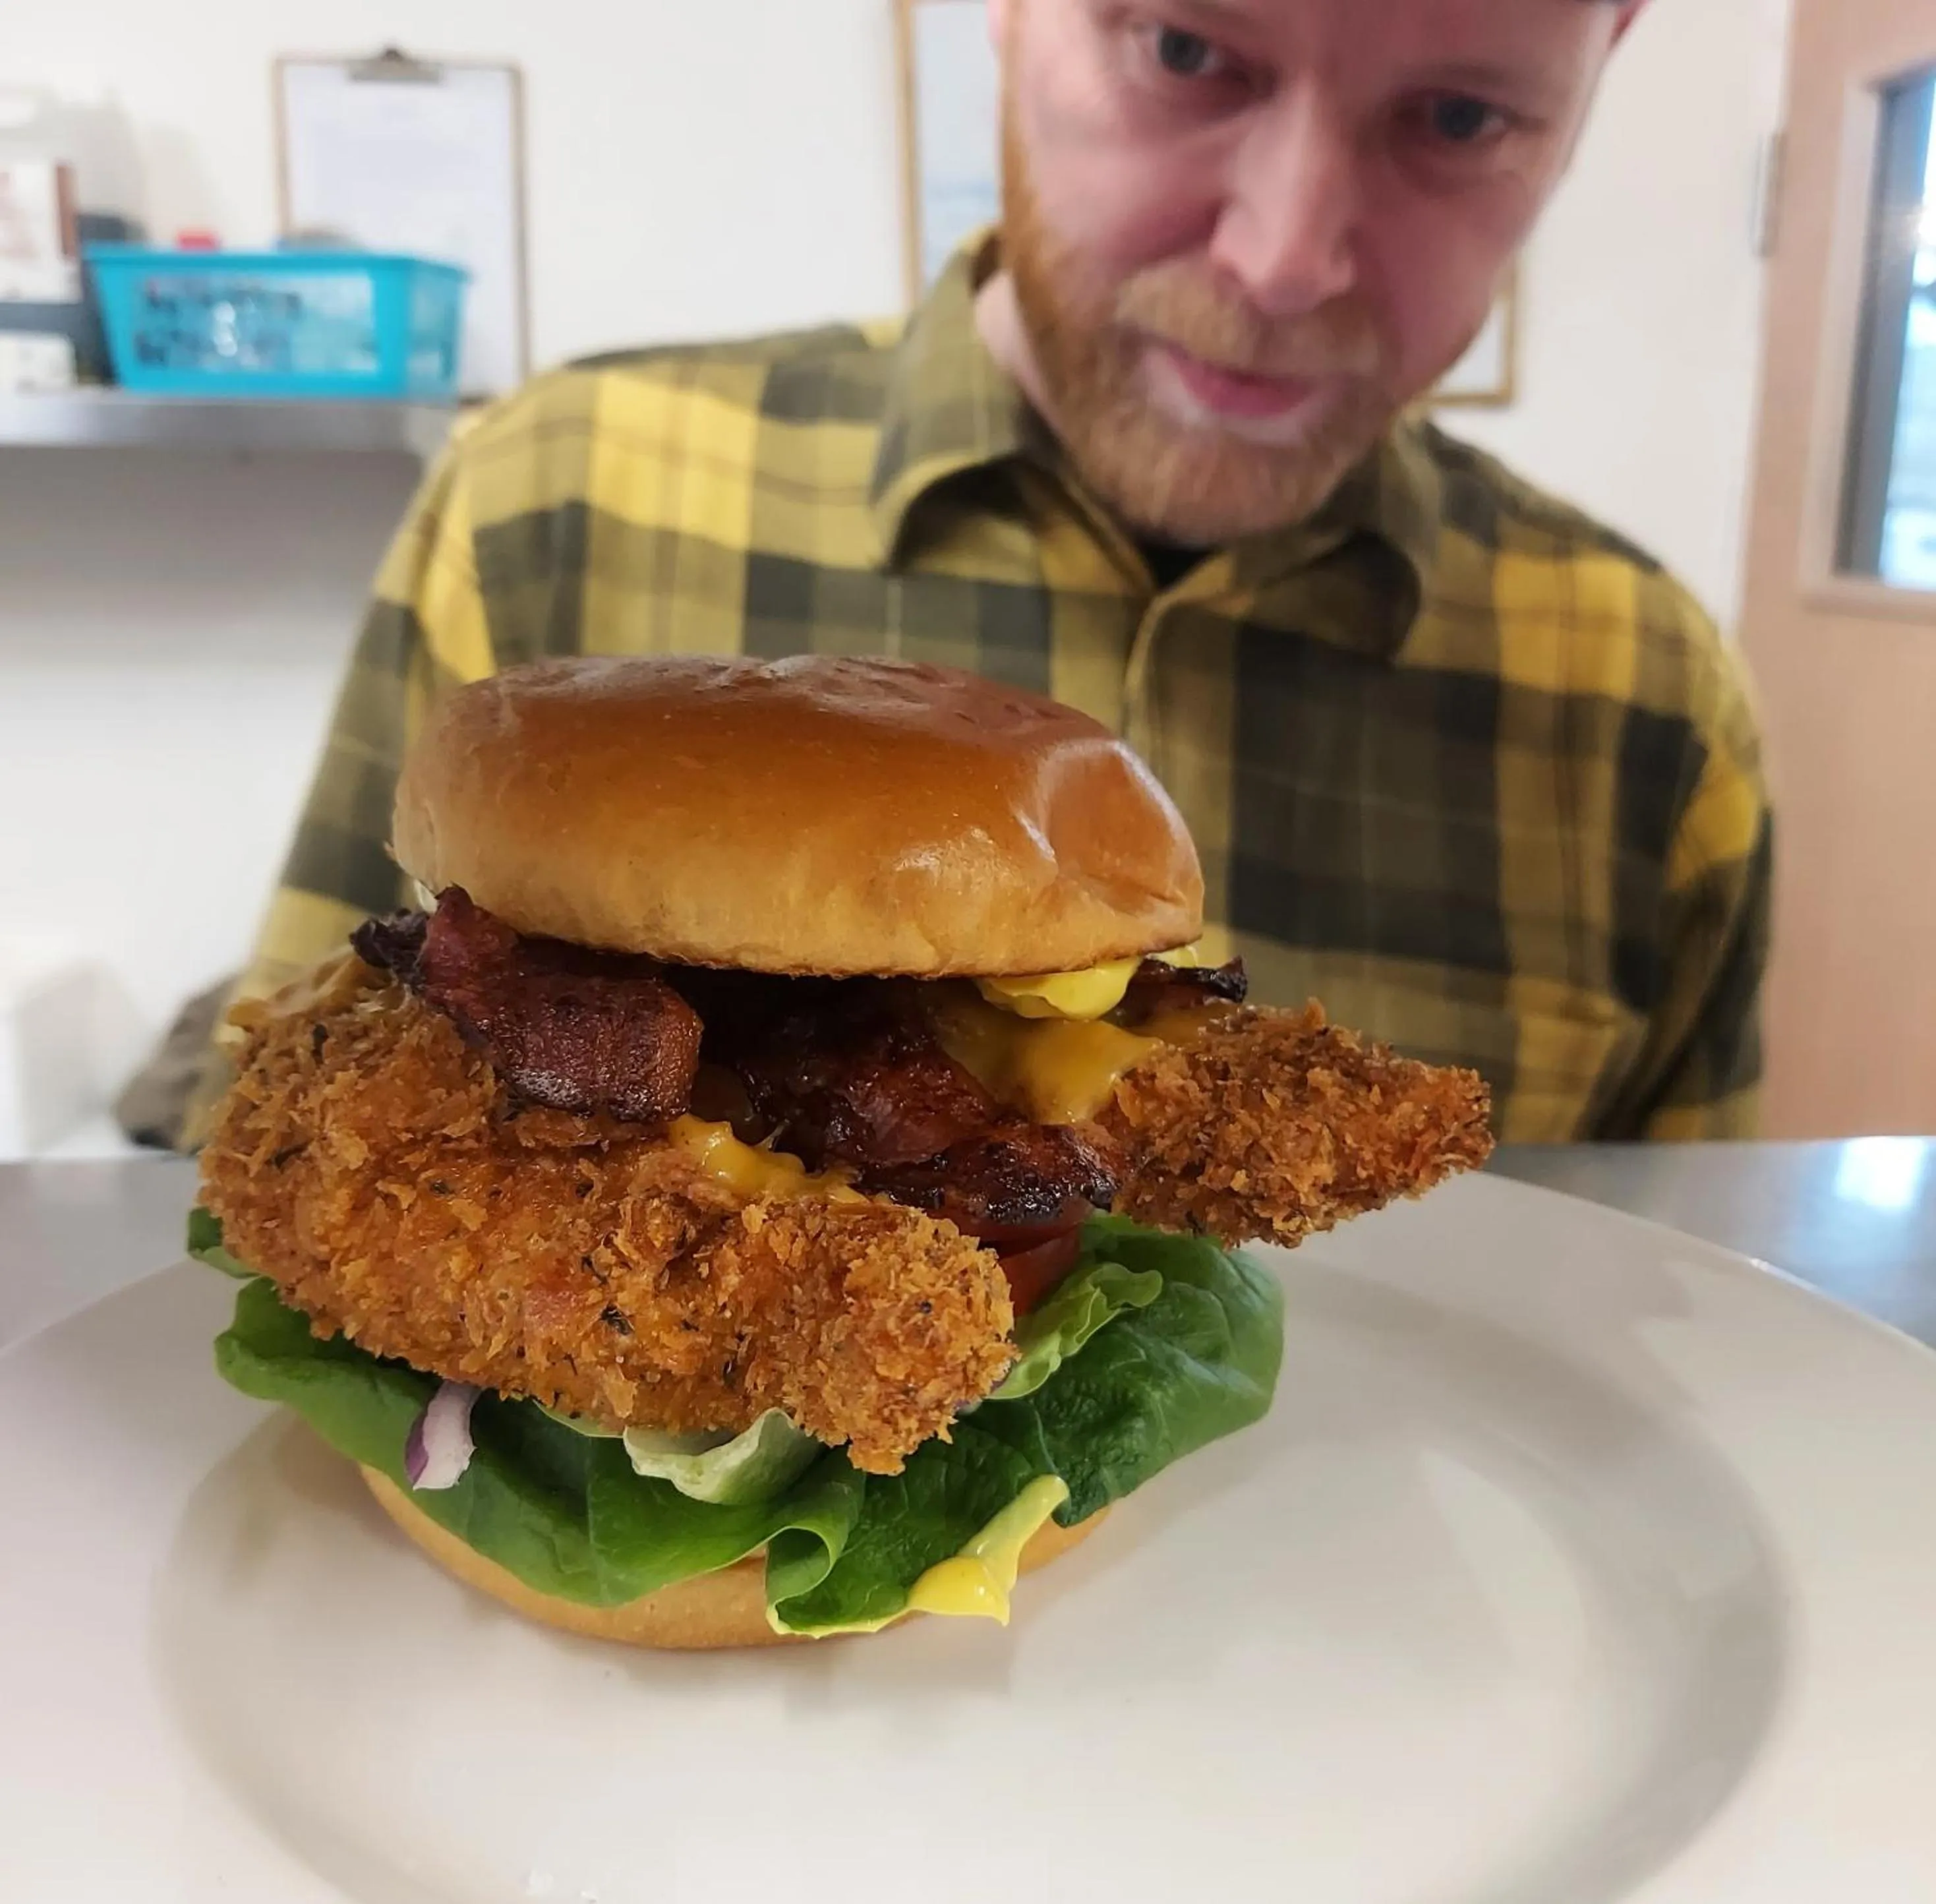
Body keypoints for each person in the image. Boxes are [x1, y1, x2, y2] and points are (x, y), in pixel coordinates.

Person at [177, 0, 1770, 1148]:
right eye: (1186, 52)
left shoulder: (1646, 695)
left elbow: (1683, 1318)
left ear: (1601, 64)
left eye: (1458, 118)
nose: (1284, 257)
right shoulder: (550, 494)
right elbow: (286, 1099)